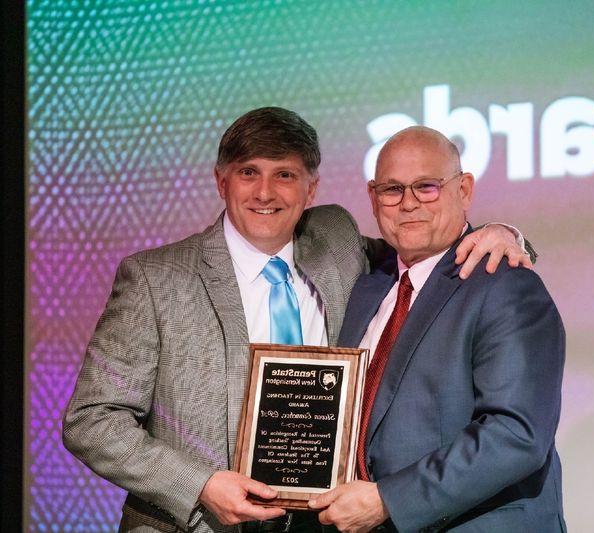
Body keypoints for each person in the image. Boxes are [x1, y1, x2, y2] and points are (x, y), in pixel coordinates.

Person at [62, 108, 533, 533]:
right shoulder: (155, 278)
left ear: (311, 188)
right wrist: (200, 484)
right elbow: (92, 419)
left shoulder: (338, 240)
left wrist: (504, 233)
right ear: (220, 181)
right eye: (248, 173)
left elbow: (425, 245)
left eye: (284, 174)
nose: (265, 192)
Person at [308, 126, 566, 532]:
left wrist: (388, 501)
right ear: (373, 198)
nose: (408, 204)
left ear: (463, 190)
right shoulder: (368, 283)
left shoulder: (505, 284)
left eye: (426, 187)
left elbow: (517, 434)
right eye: (392, 189)